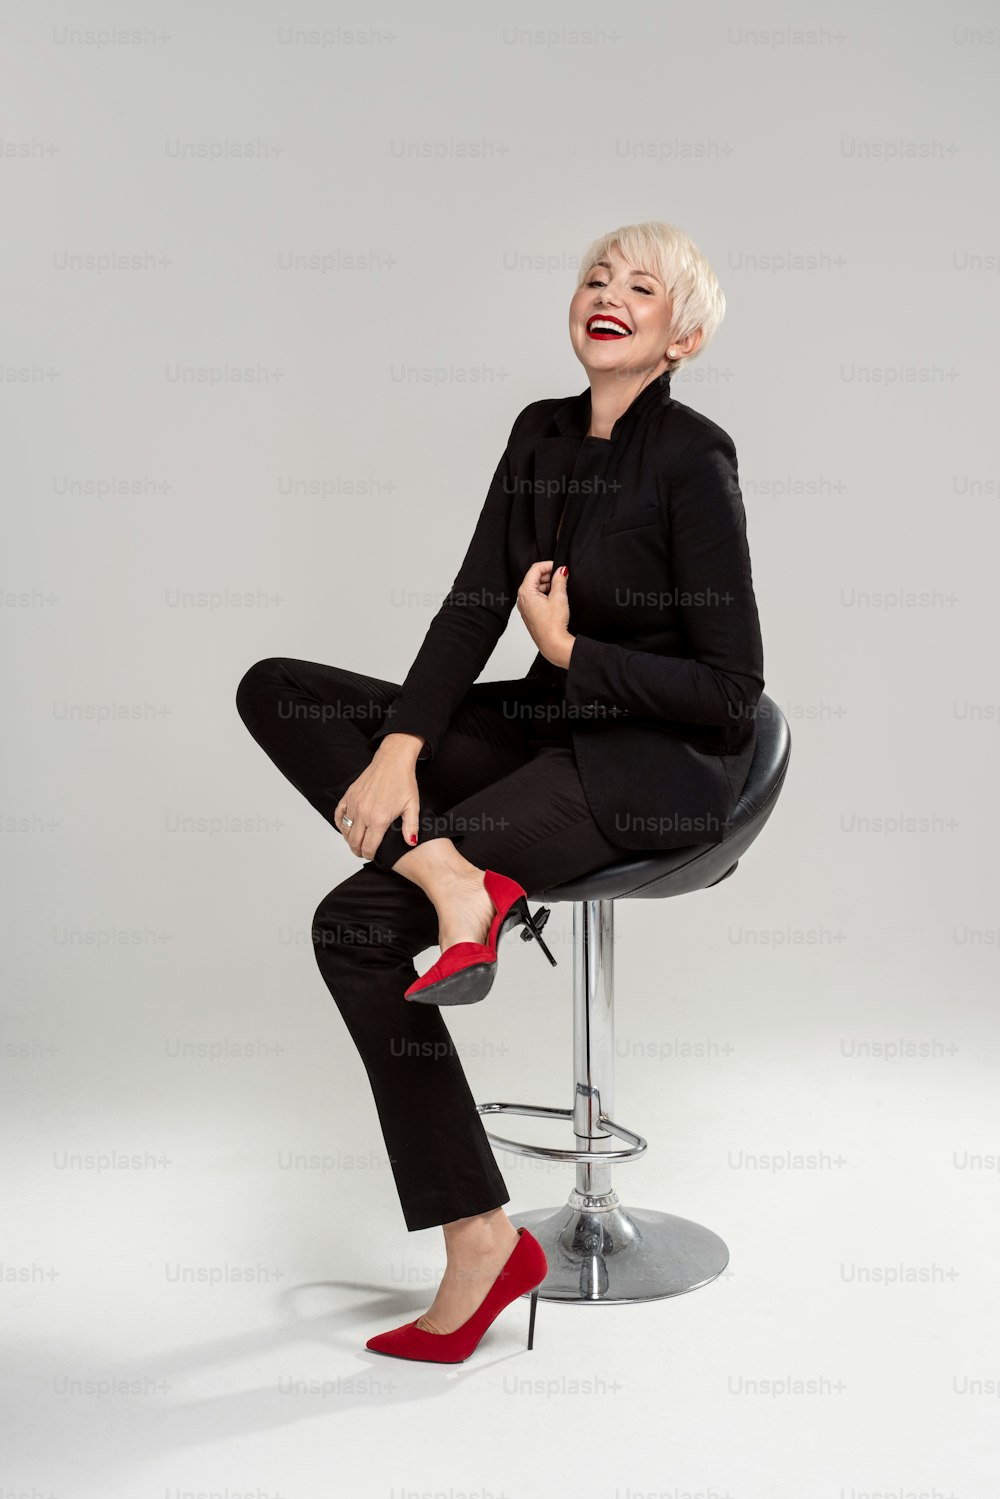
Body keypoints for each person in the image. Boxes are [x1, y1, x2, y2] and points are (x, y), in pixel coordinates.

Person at [235, 220, 765, 1363]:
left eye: (641, 286)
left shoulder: (694, 456)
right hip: (540, 733)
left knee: (352, 925)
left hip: (649, 767)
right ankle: (449, 879)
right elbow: (476, 601)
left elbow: (731, 691)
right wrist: (398, 746)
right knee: (280, 688)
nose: (606, 295)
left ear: (685, 332)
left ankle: (477, 1239)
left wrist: (575, 655)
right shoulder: (538, 433)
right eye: (592, 277)